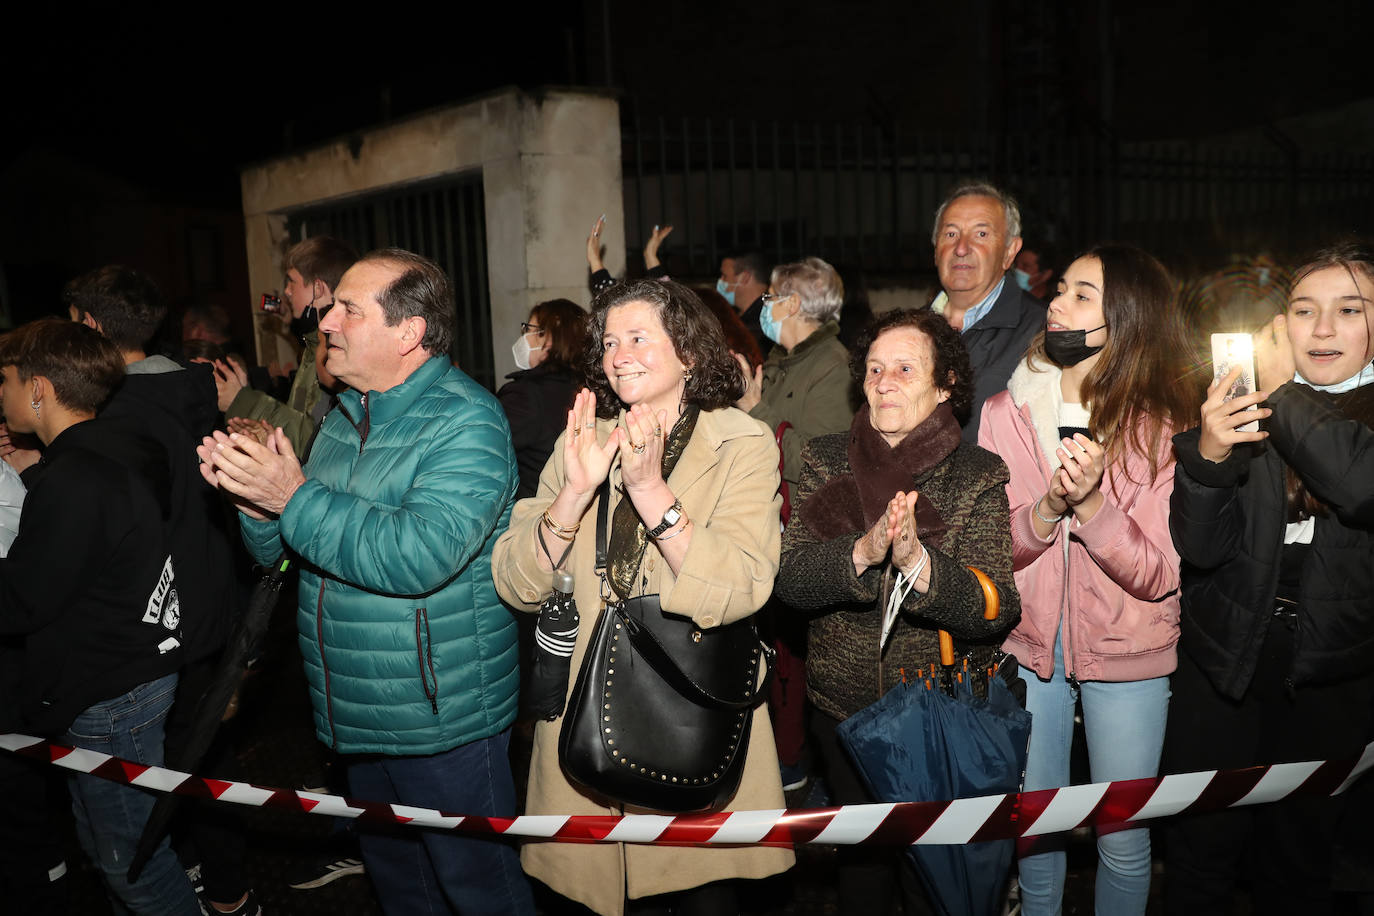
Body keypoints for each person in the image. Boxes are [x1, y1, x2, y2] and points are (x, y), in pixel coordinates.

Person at [198, 249, 534, 916]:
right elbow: (295, 553)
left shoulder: (467, 421)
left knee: (479, 890)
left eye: (350, 308)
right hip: (352, 705)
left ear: (409, 333)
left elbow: (418, 556)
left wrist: (292, 498)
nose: (326, 320)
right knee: (399, 881)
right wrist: (257, 503)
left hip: (441, 716)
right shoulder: (349, 413)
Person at [492, 278, 795, 916]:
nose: (618, 353)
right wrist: (574, 495)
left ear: (687, 352)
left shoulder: (741, 443)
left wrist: (651, 490)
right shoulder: (580, 440)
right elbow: (517, 584)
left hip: (690, 717)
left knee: (695, 901)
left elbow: (741, 585)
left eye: (637, 337)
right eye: (608, 341)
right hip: (582, 728)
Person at [775, 307, 1020, 915]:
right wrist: (862, 553)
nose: (884, 382)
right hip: (843, 715)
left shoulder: (976, 474)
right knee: (863, 875)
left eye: (905, 370)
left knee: (935, 878)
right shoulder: (827, 460)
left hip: (937, 716)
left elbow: (997, 607)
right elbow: (790, 580)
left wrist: (920, 566)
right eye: (876, 369)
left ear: (945, 386)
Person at [977, 244, 1193, 916]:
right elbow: (992, 553)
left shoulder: (1163, 427)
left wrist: (1094, 506)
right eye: (1060, 288)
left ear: (1124, 318)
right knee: (1036, 834)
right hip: (1030, 647)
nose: (1057, 304)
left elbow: (1159, 574)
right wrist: (1045, 510)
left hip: (1130, 655)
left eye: (1080, 294)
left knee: (1123, 840)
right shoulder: (1003, 411)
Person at [1164, 244, 1374, 915]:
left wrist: (1280, 391)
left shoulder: (1277, 393)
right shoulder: (1242, 393)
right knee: (1202, 854)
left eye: (1348, 310)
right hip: (1226, 660)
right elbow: (1199, 549)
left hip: (1329, 674)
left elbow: (1356, 484)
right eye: (1303, 310)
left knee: (1298, 862)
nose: (1320, 329)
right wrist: (1211, 457)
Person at [65, 265, 257, 915]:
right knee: (205, 751)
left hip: (150, 616)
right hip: (212, 602)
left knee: (156, 762)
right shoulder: (204, 389)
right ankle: (228, 889)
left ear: (87, 324)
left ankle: (195, 880)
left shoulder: (103, 412)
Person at [0, 318, 198, 914]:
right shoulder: (110, 447)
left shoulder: (76, 477)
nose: (0, 394)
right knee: (112, 849)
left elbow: (22, 599)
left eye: (4, 380)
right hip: (135, 668)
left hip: (110, 692)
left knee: (132, 866)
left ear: (39, 388)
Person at [733, 256, 855, 790]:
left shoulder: (832, 366)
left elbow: (822, 461)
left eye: (773, 296)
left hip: (810, 536)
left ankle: (802, 771)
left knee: (805, 666)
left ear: (796, 303)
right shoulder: (785, 360)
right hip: (773, 532)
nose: (765, 307)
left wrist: (757, 411)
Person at [218, 235, 358, 459]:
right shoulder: (320, 341)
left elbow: (314, 440)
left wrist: (241, 400)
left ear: (318, 289)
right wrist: (293, 324)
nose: (286, 292)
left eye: (291, 281)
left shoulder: (339, 352)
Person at [928, 183, 1046, 441]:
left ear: (1009, 251)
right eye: (950, 234)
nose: (961, 248)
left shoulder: (1041, 333)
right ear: (935, 248)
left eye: (980, 234)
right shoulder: (909, 330)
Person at [498, 298, 588, 499]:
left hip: (534, 513)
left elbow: (487, 451)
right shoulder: (588, 387)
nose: (524, 337)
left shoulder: (526, 396)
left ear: (548, 338)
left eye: (528, 329)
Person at [718, 250, 772, 356]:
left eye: (725, 276)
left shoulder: (767, 321)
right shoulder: (734, 315)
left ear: (744, 278)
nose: (720, 281)